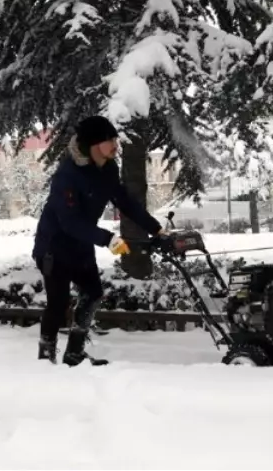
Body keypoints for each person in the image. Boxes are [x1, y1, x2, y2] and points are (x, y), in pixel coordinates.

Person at [33, 116, 164, 366]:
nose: (116, 144)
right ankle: (45, 357)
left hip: (81, 245)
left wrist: (156, 229)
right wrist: (107, 239)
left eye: (115, 139)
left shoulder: (108, 169)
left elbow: (125, 202)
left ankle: (74, 353)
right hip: (54, 247)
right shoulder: (68, 174)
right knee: (58, 304)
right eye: (110, 140)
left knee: (93, 294)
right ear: (94, 144)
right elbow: (68, 222)